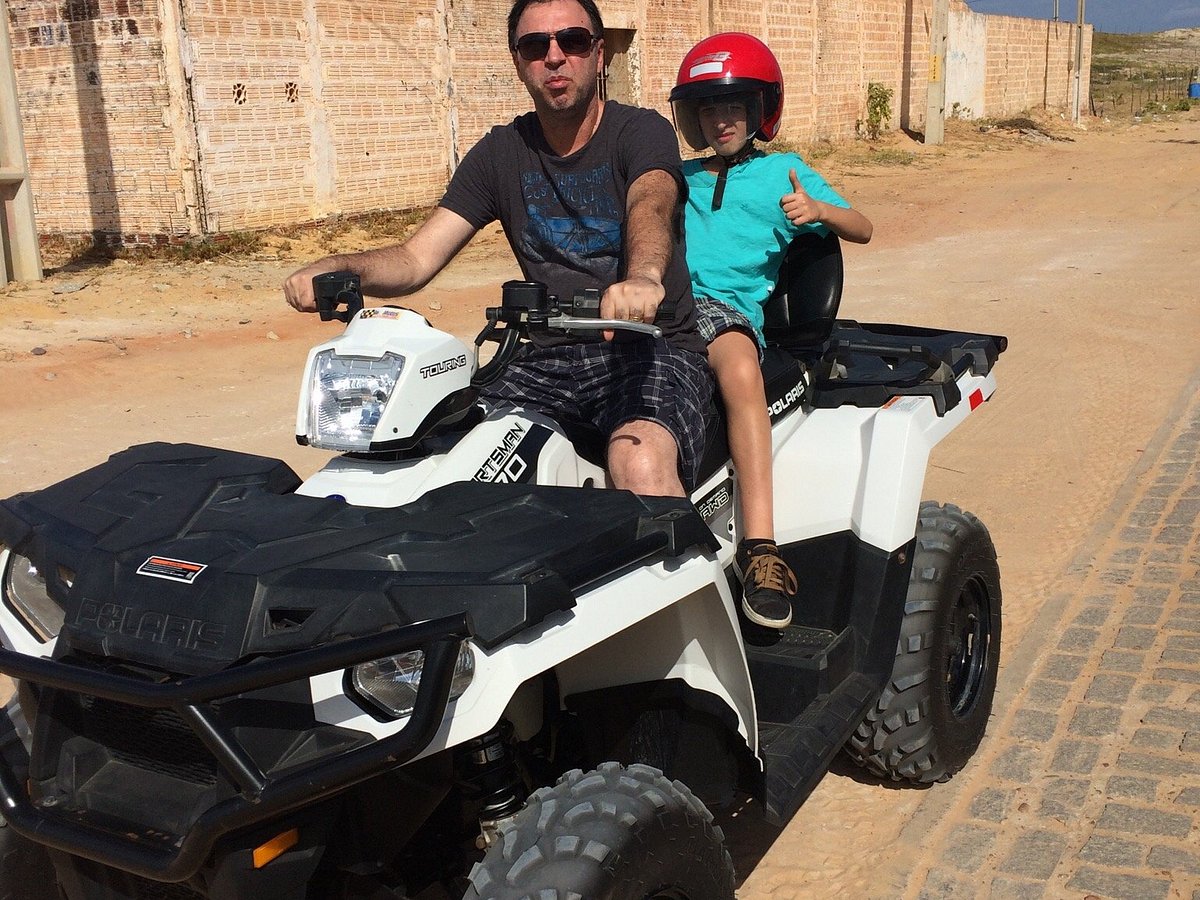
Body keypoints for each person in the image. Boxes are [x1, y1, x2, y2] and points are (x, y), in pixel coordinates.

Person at [284, 0, 711, 498]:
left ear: (599, 54)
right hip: (545, 361)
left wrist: (643, 278)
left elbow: (651, 202)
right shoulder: (500, 153)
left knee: (637, 461)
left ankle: (685, 568)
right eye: (535, 46)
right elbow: (417, 258)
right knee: (446, 456)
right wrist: (339, 268)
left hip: (649, 350)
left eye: (571, 41)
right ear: (517, 62)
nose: (554, 58)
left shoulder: (639, 131)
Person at [669, 33, 873, 629]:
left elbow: (862, 226)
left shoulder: (786, 173)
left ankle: (761, 548)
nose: (721, 119)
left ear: (761, 111)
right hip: (664, 303)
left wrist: (819, 213)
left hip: (726, 309)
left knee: (737, 368)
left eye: (734, 106)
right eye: (708, 107)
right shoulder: (677, 176)